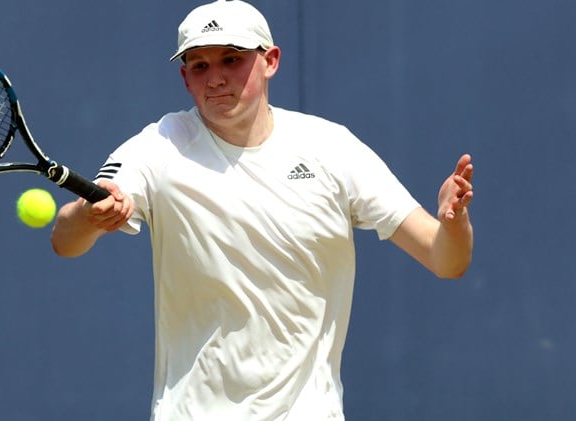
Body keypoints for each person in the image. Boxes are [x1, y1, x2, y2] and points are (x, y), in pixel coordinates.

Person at [51, 0, 474, 419]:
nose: (214, 78)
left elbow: (444, 259)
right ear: (185, 78)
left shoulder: (332, 147)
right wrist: (88, 218)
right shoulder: (160, 145)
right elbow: (65, 241)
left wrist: (452, 226)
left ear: (270, 60)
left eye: (231, 59)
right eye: (199, 66)